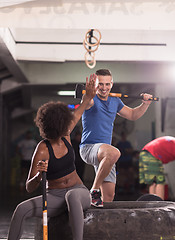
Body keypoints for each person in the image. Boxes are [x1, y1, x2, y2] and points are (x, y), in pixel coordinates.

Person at [7, 76, 96, 240]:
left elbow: (78, 112)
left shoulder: (66, 135)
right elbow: (29, 186)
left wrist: (88, 97)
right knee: (21, 209)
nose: (67, 128)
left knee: (72, 196)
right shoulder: (42, 149)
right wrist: (39, 175)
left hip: (78, 192)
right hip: (54, 197)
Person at [79, 68, 153, 207]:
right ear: (95, 85)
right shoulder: (91, 99)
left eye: (107, 84)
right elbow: (86, 102)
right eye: (100, 84)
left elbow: (132, 115)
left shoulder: (115, 101)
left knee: (108, 196)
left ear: (112, 84)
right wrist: (88, 94)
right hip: (89, 148)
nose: (104, 87)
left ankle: (99, 223)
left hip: (106, 155)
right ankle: (94, 191)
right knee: (114, 152)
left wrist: (145, 104)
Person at [139, 136, 175, 200]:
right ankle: (159, 205)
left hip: (145, 153)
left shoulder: (172, 141)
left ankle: (153, 203)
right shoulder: (173, 143)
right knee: (160, 181)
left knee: (153, 181)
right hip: (152, 154)